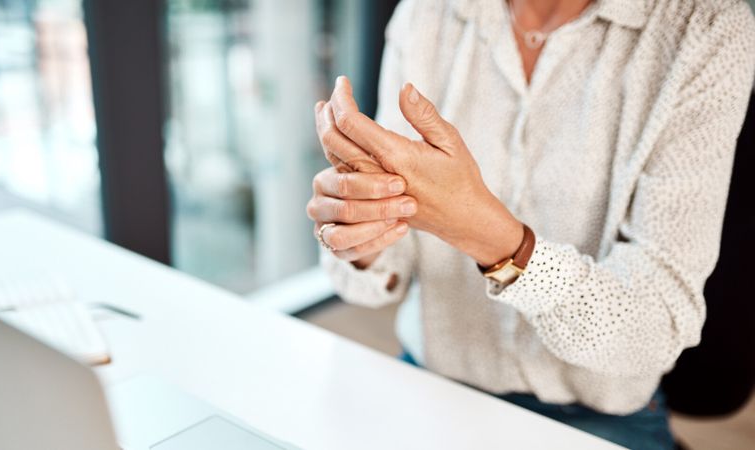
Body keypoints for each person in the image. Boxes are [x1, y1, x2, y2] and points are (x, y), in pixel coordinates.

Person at [306, 0, 755, 448]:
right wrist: (363, 227)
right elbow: (385, 267)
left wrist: (484, 232)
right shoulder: (428, 12)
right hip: (434, 380)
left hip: (593, 416)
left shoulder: (707, 25)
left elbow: (657, 326)